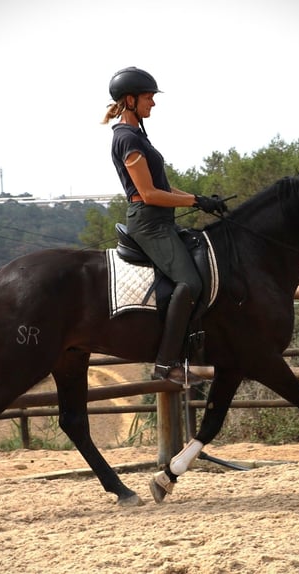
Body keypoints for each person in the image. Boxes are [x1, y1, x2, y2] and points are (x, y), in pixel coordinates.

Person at [102, 66, 227, 384]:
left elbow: (165, 189)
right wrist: (193, 201)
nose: (153, 103)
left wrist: (199, 200)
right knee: (190, 282)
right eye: (148, 97)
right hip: (149, 224)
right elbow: (148, 193)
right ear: (130, 100)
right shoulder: (127, 138)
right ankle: (166, 363)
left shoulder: (138, 136)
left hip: (160, 221)